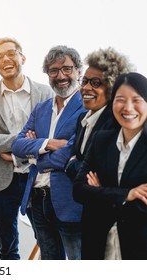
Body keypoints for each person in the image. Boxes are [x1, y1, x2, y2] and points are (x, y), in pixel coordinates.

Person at [0, 37, 54, 260]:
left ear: (23, 57)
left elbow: (51, 137)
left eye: (11, 53)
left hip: (39, 176)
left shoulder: (46, 93)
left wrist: (16, 150)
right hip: (2, 180)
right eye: (0, 56)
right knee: (8, 244)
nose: (6, 59)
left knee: (47, 240)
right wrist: (28, 142)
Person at [12, 45, 86, 260]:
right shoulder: (41, 108)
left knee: (76, 261)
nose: (60, 76)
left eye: (67, 69)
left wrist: (35, 155)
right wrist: (49, 144)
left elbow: (70, 152)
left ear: (79, 72)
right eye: (53, 70)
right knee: (49, 260)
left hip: (68, 199)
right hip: (37, 199)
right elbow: (17, 146)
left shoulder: (86, 107)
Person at [74, 72, 147, 260]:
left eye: (136, 100)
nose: (128, 107)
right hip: (98, 245)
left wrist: (101, 193)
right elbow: (79, 190)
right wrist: (127, 194)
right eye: (120, 99)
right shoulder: (101, 140)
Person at [65, 48, 133, 180]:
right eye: (84, 81)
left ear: (113, 88)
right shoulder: (82, 119)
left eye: (96, 83)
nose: (86, 88)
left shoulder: (117, 124)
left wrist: (71, 164)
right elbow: (87, 172)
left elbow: (104, 175)